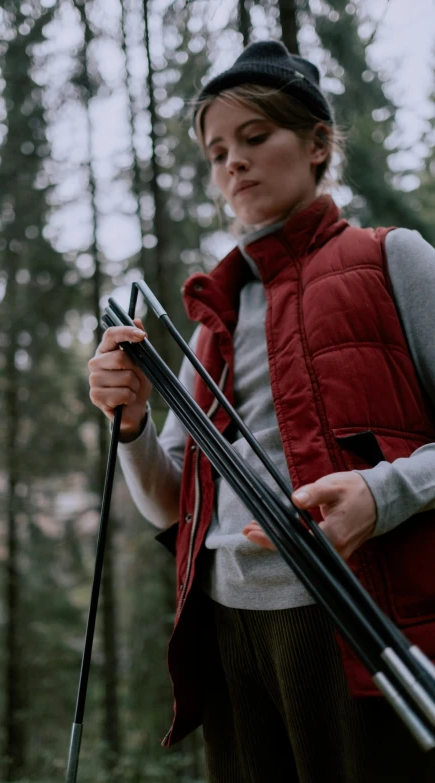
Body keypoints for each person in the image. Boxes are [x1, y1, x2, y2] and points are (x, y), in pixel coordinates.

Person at [88, 41, 435, 782]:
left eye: (254, 138)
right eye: (217, 152)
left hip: (358, 623)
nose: (233, 164)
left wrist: (380, 494)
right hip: (230, 632)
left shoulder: (391, 258)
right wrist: (132, 425)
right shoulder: (211, 319)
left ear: (317, 145)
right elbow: (168, 503)